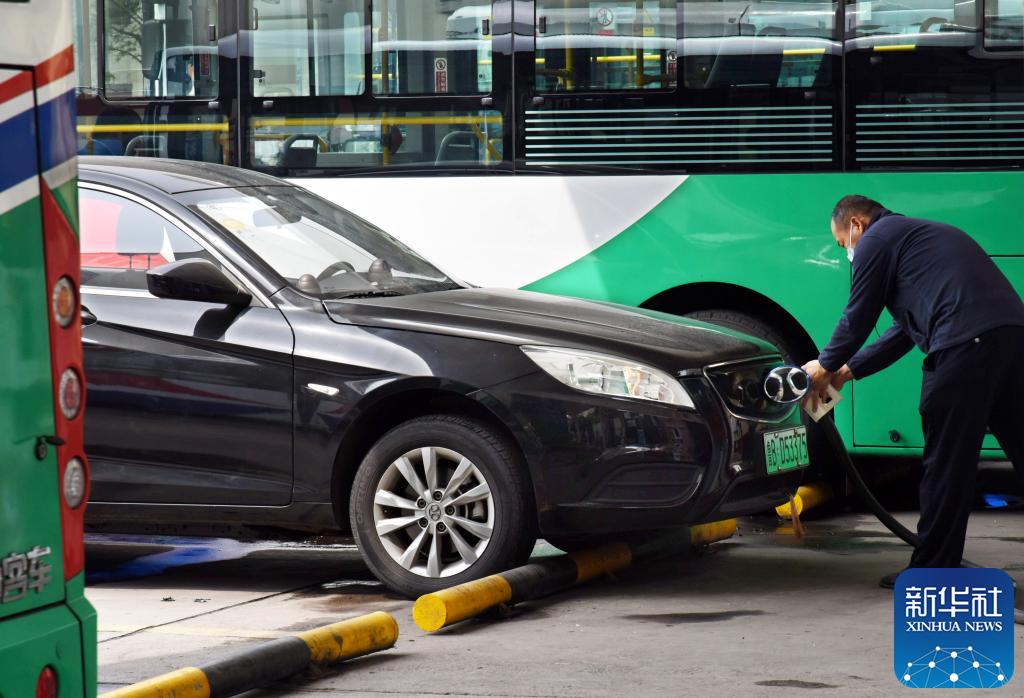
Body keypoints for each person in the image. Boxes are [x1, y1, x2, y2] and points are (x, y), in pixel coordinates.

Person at [802, 195, 1024, 587]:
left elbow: (858, 315)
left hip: (963, 345)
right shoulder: (921, 237)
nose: (847, 253)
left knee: (945, 464)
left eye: (842, 245)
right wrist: (848, 371)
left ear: (856, 224)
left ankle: (932, 573)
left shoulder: (876, 239)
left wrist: (824, 364)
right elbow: (904, 332)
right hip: (1010, 340)